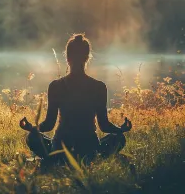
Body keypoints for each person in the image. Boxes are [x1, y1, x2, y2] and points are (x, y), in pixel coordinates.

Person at [19, 33, 132, 165]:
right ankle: (94, 159)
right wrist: (120, 129)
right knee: (119, 138)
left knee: (32, 137)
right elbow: (104, 126)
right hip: (89, 148)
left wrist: (31, 128)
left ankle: (54, 158)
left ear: (67, 58)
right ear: (87, 57)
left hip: (60, 147)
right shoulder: (99, 87)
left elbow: (49, 124)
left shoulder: (55, 86)